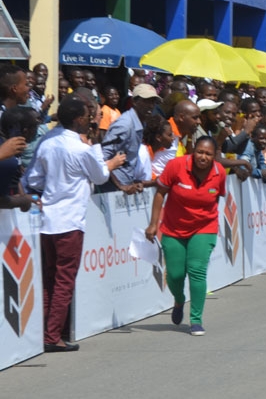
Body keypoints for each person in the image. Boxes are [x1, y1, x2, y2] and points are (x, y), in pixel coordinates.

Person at [25, 96, 126, 352]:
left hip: (48, 219)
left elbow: (34, 178)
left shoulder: (48, 143)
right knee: (64, 280)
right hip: (69, 221)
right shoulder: (80, 148)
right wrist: (102, 155)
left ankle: (47, 333)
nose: (92, 119)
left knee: (50, 279)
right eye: (88, 115)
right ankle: (51, 336)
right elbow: (101, 175)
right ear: (79, 119)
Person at [144, 136, 227, 336]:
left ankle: (196, 320)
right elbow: (160, 193)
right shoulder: (176, 166)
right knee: (175, 275)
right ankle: (179, 300)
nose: (203, 157)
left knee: (197, 270)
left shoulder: (219, 172)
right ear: (193, 151)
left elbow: (216, 197)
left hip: (204, 227)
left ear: (214, 156)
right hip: (173, 228)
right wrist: (154, 224)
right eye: (199, 151)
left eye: (208, 154)